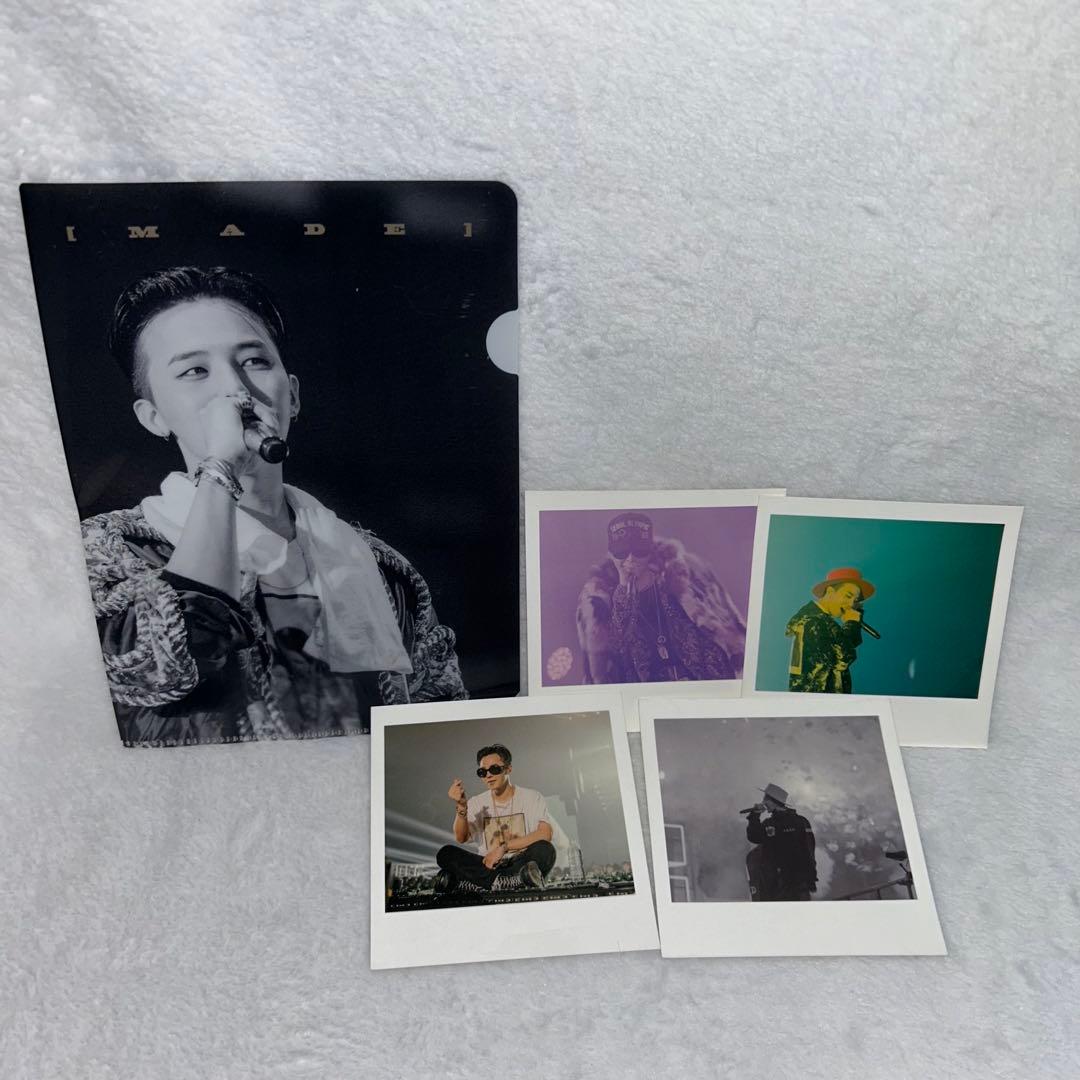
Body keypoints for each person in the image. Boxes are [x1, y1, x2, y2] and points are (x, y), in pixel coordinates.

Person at [82, 266, 466, 747]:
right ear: (154, 417)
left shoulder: (382, 566)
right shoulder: (108, 551)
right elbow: (172, 660)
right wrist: (221, 468)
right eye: (195, 371)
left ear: (294, 395)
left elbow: (440, 722)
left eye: (254, 361)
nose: (236, 390)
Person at [576, 512, 746, 684]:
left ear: (650, 550)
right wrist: (623, 589)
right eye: (622, 552)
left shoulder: (685, 575)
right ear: (612, 554)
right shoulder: (599, 601)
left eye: (639, 551)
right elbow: (609, 659)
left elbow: (725, 634)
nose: (631, 558)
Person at [435, 743, 556, 894]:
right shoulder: (477, 802)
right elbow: (461, 838)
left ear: (508, 769)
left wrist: (504, 847)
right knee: (446, 853)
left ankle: (476, 884)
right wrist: (461, 806)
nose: (488, 775)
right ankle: (507, 882)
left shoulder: (531, 797)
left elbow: (545, 834)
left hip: (519, 863)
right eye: (482, 772)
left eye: (494, 769)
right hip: (487, 866)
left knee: (545, 850)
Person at [785, 567, 874, 693]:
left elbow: (844, 645)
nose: (851, 604)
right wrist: (852, 623)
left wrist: (854, 623)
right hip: (817, 701)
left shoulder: (815, 619)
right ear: (830, 592)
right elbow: (843, 657)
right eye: (848, 596)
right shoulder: (815, 621)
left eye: (855, 601)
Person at [745, 783, 818, 901]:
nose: (763, 802)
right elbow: (809, 851)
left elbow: (754, 836)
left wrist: (755, 816)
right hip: (796, 883)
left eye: (765, 799)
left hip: (779, 885)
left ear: (773, 801)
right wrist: (811, 878)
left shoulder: (771, 824)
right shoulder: (802, 822)